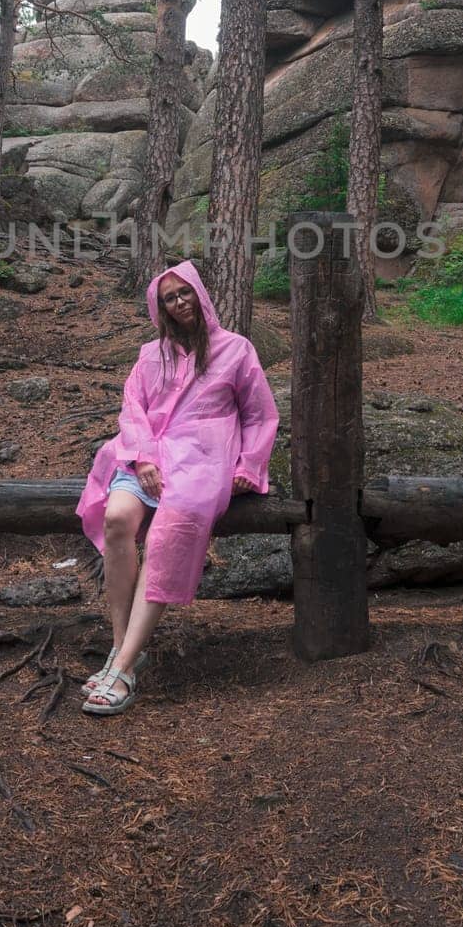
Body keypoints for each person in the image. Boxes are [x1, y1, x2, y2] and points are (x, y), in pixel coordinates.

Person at [75, 259, 279, 716]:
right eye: (169, 297)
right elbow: (133, 410)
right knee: (116, 519)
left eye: (184, 292)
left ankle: (123, 671)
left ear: (200, 295)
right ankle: (120, 648)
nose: (179, 302)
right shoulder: (151, 355)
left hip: (205, 462)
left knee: (169, 532)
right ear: (160, 308)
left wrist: (248, 464)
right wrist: (144, 457)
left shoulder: (236, 350)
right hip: (147, 455)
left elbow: (259, 414)